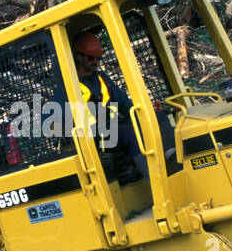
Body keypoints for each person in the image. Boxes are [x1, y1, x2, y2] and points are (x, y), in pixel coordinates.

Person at [67, 31, 174, 181]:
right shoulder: (69, 85)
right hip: (94, 135)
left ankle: (174, 163)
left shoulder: (101, 78)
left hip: (115, 126)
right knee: (130, 133)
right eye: (90, 58)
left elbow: (124, 103)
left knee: (158, 117)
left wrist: (145, 116)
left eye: (98, 58)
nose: (95, 62)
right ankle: (158, 183)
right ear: (78, 56)